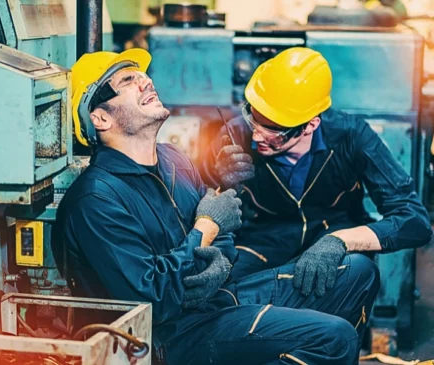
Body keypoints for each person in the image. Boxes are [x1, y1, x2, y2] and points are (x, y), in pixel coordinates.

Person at [56, 48, 380, 365]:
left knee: (357, 272)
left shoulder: (173, 160)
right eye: (127, 80)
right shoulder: (96, 199)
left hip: (214, 300)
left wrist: (217, 263)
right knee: (334, 337)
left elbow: (222, 234)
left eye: (143, 75)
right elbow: (152, 299)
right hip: (167, 337)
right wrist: (204, 230)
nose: (145, 81)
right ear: (99, 117)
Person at [201, 46, 432, 300]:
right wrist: (217, 179)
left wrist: (340, 240)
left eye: (273, 129)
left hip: (332, 233)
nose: (256, 135)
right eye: (253, 119)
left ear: (310, 124)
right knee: (217, 285)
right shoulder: (234, 136)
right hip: (263, 241)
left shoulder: (352, 137)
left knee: (359, 272)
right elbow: (196, 210)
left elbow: (414, 221)